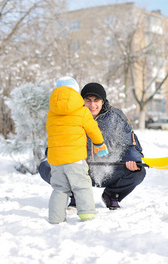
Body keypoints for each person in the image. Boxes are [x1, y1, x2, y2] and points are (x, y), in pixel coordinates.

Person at [39, 82, 146, 210]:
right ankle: (75, 195)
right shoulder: (69, 116)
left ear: (103, 101)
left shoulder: (116, 118)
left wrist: (133, 159)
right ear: (81, 100)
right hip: (78, 170)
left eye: (96, 100)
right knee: (46, 167)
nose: (92, 105)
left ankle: (112, 195)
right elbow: (56, 142)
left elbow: (130, 143)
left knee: (138, 172)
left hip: (109, 169)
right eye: (88, 100)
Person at [46, 77, 108, 224]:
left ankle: (56, 218)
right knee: (81, 186)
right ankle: (87, 213)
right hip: (75, 159)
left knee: (60, 189)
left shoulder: (51, 113)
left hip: (55, 160)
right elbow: (93, 130)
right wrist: (100, 145)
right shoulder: (82, 112)